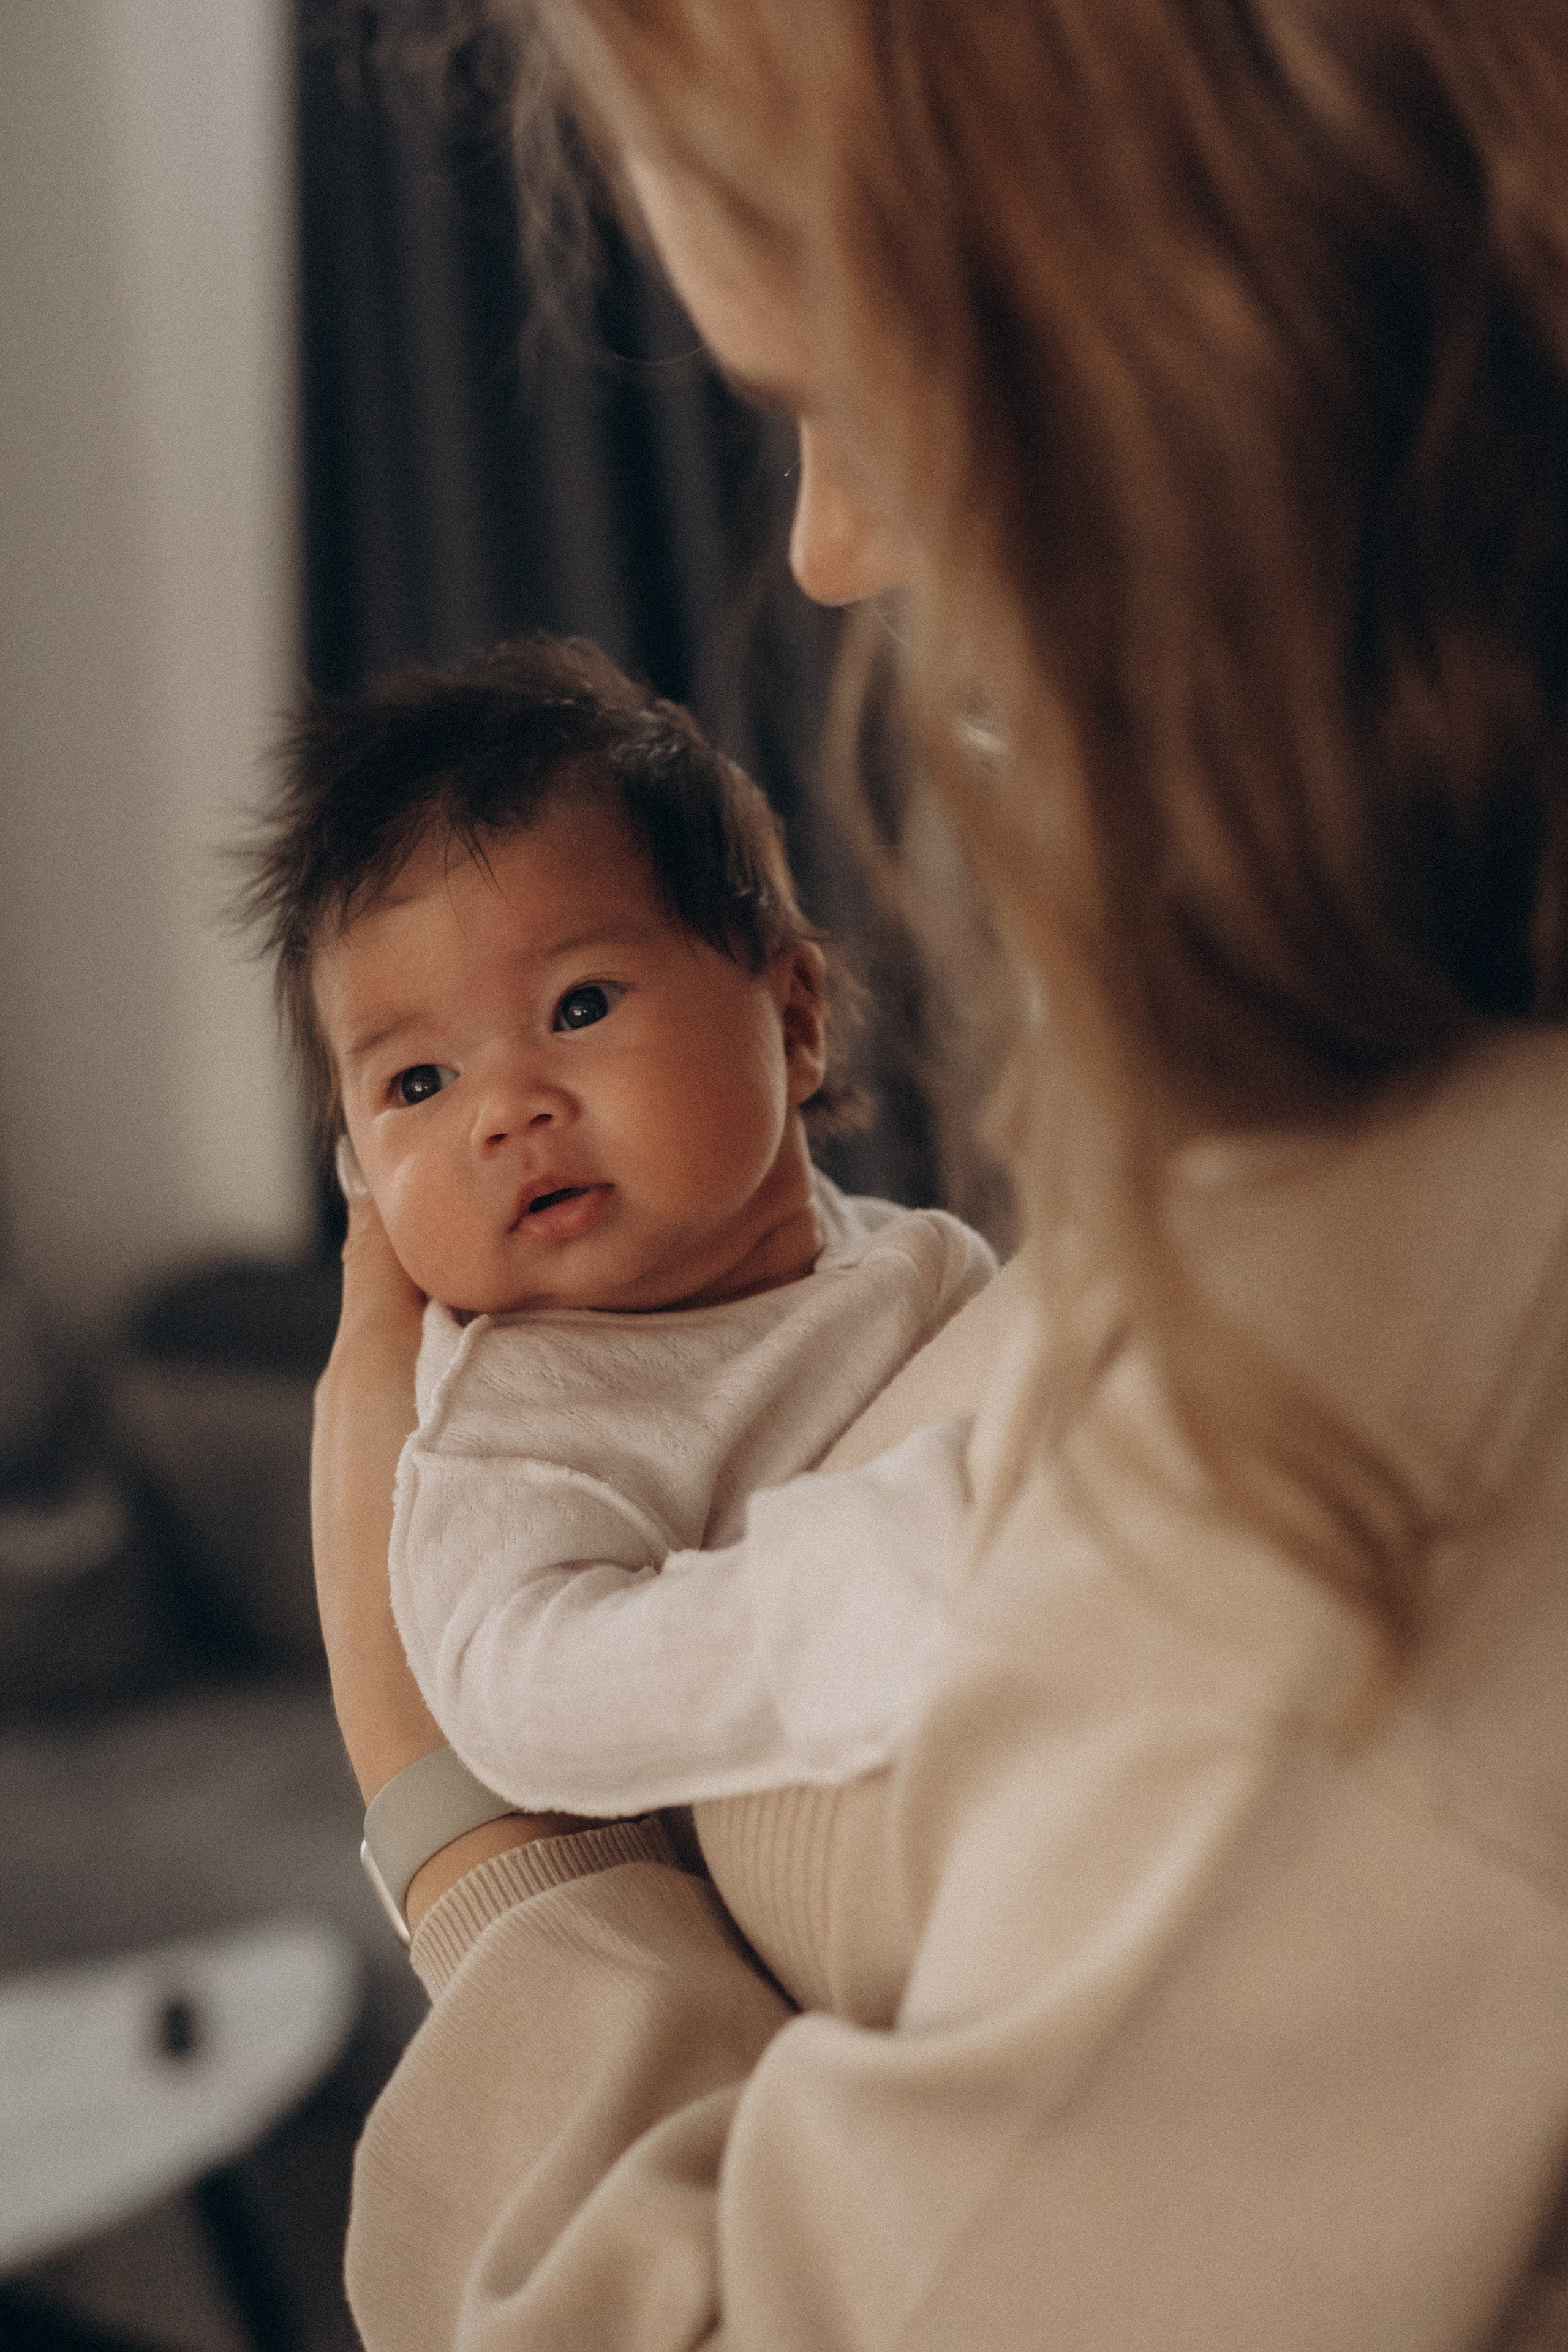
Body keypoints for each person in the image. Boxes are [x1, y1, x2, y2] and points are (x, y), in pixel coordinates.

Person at [311, 4, 1568, 2346]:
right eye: (405, 1083)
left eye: (843, 382)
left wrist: (477, 1853)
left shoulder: (1391, 1385)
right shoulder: (538, 1452)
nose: (826, 544)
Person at [246, 633, 993, 1826]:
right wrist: (883, 1564)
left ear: (792, 1022)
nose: (503, 1111)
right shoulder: (520, 1419)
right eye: (418, 1083)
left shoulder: (905, 1260)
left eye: (577, 1006)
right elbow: (522, 1689)